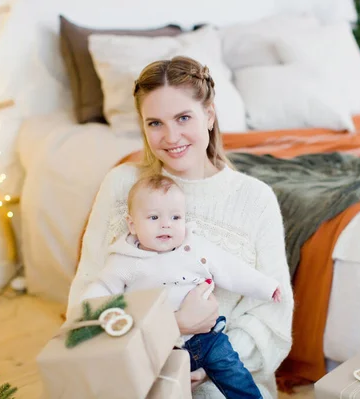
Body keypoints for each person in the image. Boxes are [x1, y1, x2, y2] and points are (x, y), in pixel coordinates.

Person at [65, 55, 294, 398]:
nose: (171, 137)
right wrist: (168, 330)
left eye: (183, 118)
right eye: (155, 123)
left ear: (210, 115)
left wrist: (206, 365)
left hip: (222, 374)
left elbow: (273, 311)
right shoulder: (121, 185)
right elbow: (85, 303)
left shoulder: (254, 199)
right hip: (132, 363)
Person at [81, 174, 282, 399]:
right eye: (154, 217)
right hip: (159, 345)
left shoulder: (195, 247)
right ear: (132, 224)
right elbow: (103, 289)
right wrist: (85, 312)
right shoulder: (125, 260)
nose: (166, 224)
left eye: (176, 217)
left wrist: (266, 287)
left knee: (234, 374)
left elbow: (233, 270)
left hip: (207, 338)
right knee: (160, 390)